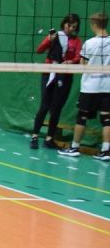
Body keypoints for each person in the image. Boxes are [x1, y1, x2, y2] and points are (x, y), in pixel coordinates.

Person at [59, 11, 110, 161]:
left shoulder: (89, 43)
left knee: (82, 116)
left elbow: (83, 65)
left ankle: (74, 147)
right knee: (106, 118)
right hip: (107, 85)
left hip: (90, 86)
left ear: (93, 24)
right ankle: (106, 150)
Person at [30, 14, 81, 149]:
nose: (71, 28)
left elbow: (78, 57)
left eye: (74, 27)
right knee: (44, 106)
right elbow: (39, 50)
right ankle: (34, 136)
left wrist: (70, 62)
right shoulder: (55, 36)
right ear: (64, 24)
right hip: (49, 73)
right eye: (69, 25)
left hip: (65, 76)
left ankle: (49, 139)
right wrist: (49, 40)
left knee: (56, 108)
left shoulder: (76, 41)